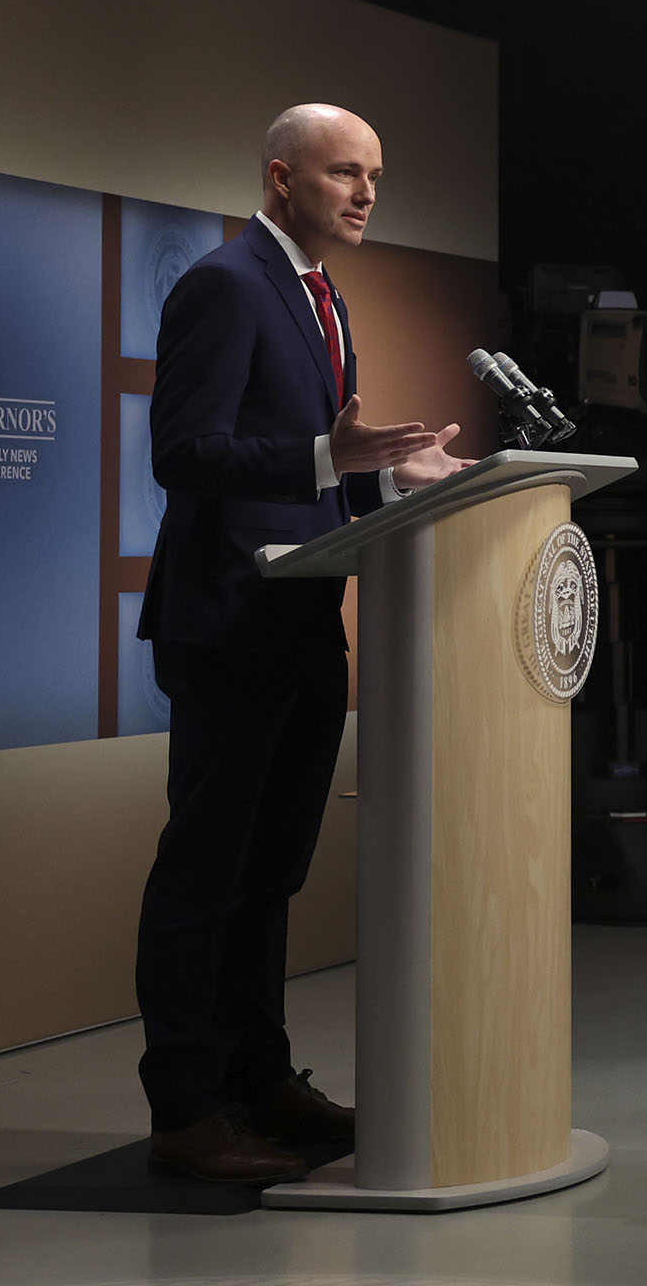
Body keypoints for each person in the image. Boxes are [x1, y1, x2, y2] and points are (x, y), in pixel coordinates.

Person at [134, 104, 472, 1185]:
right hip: (229, 624)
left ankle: (260, 1079)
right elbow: (187, 453)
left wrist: (385, 478)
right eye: (344, 173)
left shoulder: (319, 295)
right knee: (207, 870)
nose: (366, 193)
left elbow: (305, 469)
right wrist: (334, 454)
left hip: (302, 622)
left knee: (269, 873)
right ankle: (187, 1107)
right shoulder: (226, 286)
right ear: (282, 178)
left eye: (375, 175)